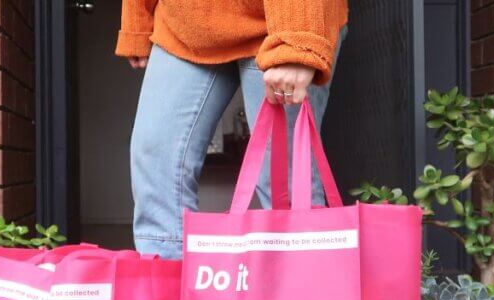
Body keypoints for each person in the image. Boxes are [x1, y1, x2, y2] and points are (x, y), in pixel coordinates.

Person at [117, 1, 348, 259]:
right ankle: (166, 291)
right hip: (185, 23)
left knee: (284, 182)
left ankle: (299, 291)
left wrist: (297, 40)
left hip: (280, 22)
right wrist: (137, 18)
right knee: (156, 161)